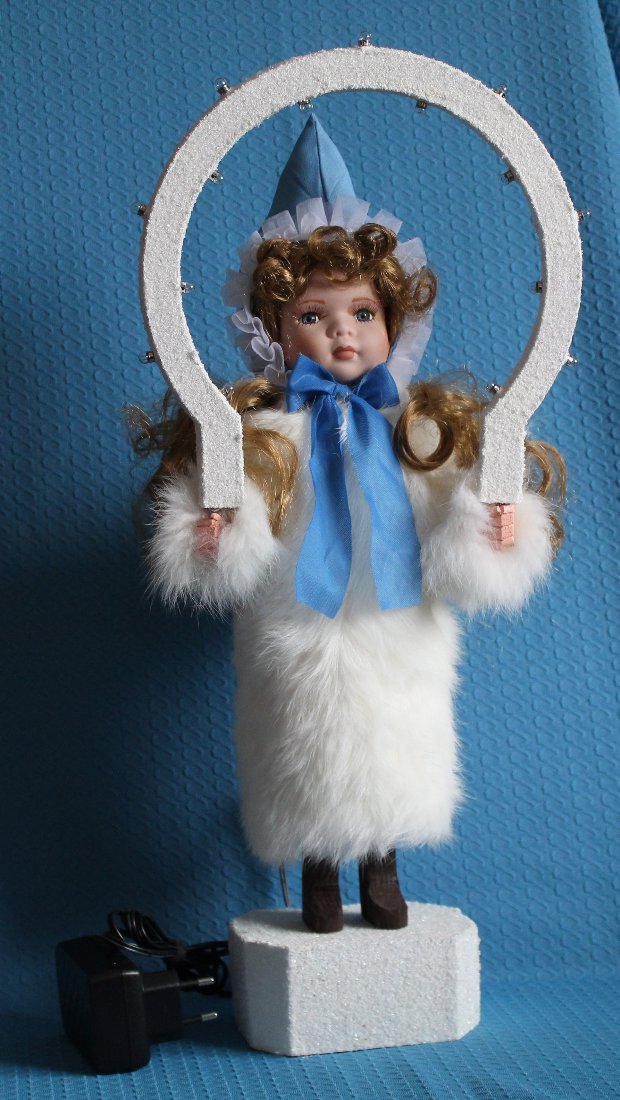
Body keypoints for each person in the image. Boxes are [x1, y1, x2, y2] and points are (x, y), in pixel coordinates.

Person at [131, 117, 564, 933]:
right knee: (303, 749)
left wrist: (493, 523)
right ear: (272, 328)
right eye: (313, 314)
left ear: (394, 319)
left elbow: (455, 525)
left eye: (362, 311)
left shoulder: (419, 431)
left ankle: (384, 871)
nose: (342, 331)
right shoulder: (260, 438)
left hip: (396, 630)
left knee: (393, 747)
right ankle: (320, 881)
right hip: (298, 629)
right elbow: (227, 530)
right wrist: (214, 531)